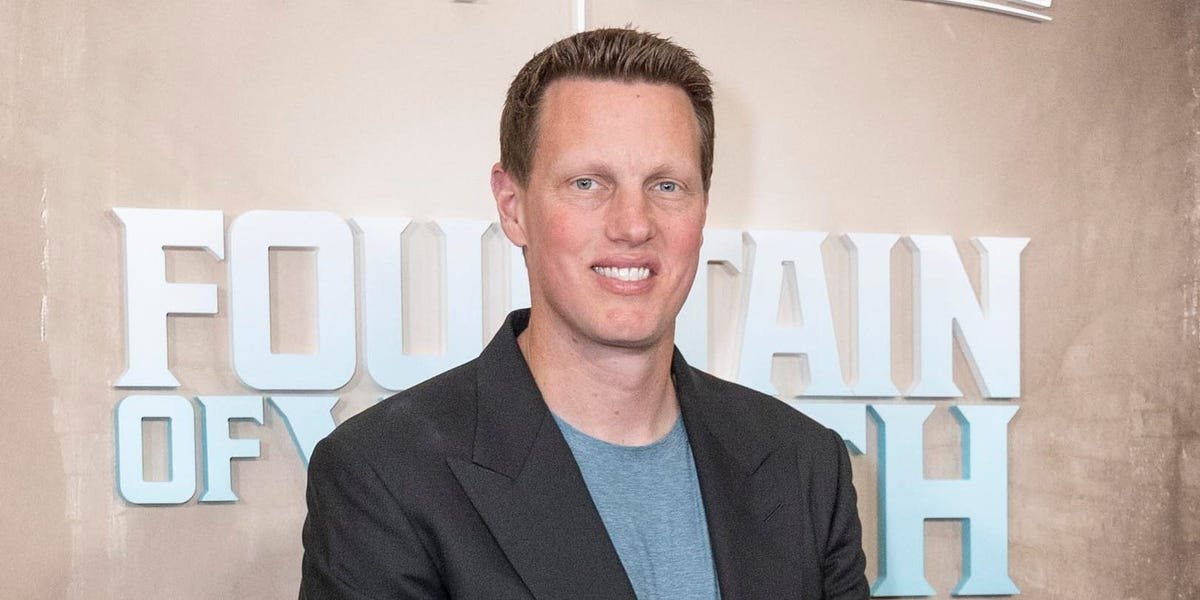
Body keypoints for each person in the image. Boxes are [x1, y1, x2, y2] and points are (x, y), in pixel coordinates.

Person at [300, 28, 868, 600]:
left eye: (667, 185)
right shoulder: (384, 474)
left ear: (702, 209)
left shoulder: (805, 464)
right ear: (512, 206)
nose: (633, 225)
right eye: (588, 183)